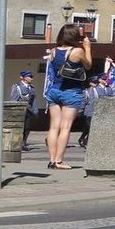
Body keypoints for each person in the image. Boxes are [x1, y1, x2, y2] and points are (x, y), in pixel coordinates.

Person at [44, 23, 92, 170]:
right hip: (71, 92)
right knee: (65, 128)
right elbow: (88, 65)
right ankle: (59, 161)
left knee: (53, 127)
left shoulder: (53, 51)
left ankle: (52, 160)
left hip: (54, 91)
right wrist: (88, 48)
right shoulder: (77, 51)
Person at [11, 70, 38, 150]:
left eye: (31, 77)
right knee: (19, 127)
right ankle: (18, 143)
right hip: (19, 110)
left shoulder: (32, 88)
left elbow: (33, 100)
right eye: (29, 77)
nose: (31, 78)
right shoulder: (17, 87)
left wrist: (35, 110)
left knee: (27, 127)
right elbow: (14, 99)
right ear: (22, 77)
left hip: (29, 110)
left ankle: (24, 142)